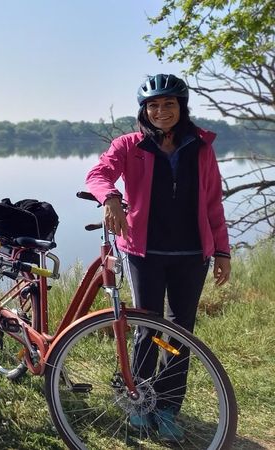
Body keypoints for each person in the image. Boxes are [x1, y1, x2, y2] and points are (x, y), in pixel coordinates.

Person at [85, 73, 231, 442]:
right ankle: (137, 404)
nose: (161, 111)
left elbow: (213, 201)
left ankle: (166, 409)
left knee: (180, 332)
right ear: (144, 110)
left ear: (181, 108)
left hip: (191, 253)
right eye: (153, 105)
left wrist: (222, 251)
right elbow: (98, 174)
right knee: (148, 328)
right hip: (143, 252)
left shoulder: (200, 147)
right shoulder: (130, 145)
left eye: (168, 104)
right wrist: (111, 198)